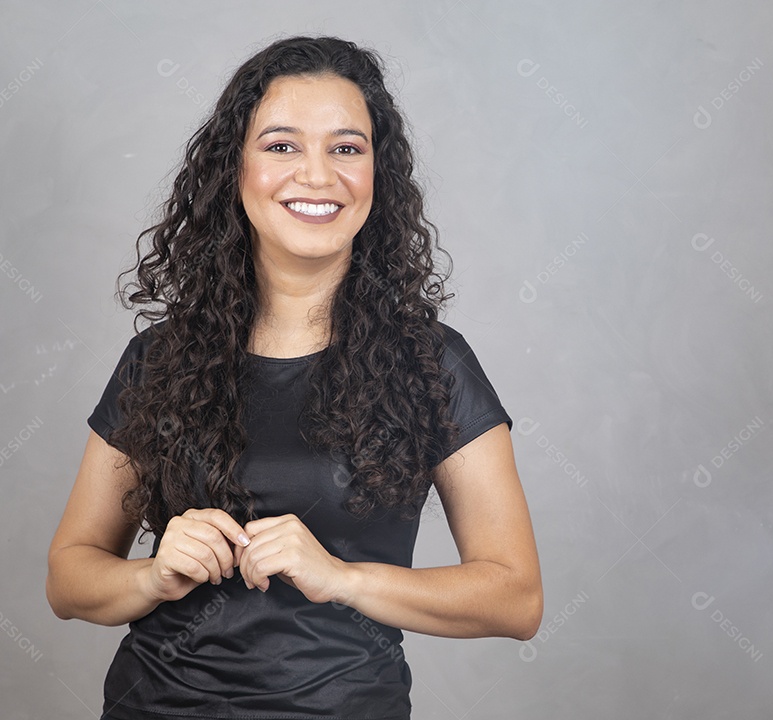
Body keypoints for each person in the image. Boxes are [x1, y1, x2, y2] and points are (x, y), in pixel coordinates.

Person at [45, 34, 542, 720]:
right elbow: (69, 579)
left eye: (347, 148)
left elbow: (516, 598)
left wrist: (341, 579)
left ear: (378, 174)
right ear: (235, 169)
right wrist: (152, 575)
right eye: (282, 145)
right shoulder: (159, 359)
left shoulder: (433, 362)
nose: (317, 174)